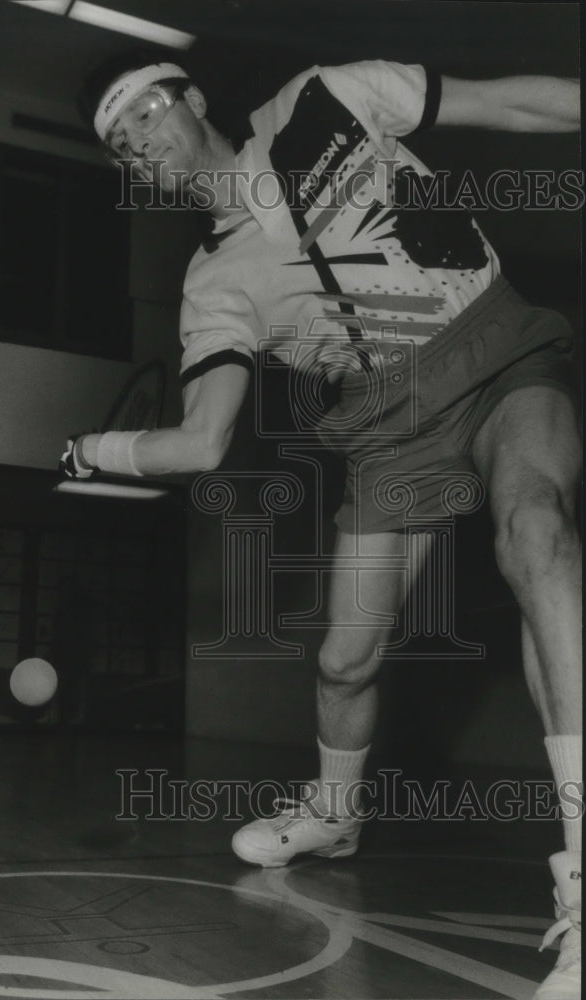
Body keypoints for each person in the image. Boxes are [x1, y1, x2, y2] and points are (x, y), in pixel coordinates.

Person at [64, 51, 581, 998]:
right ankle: (336, 813)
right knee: (346, 663)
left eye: (140, 114)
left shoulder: (323, 101)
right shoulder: (214, 281)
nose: (134, 144)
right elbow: (203, 442)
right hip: (389, 426)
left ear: (192, 99)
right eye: (117, 144)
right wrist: (93, 451)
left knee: (535, 529)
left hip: (495, 347)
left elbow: (505, 100)